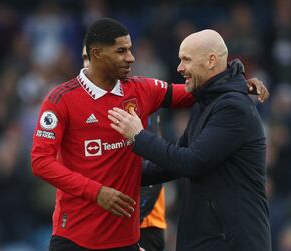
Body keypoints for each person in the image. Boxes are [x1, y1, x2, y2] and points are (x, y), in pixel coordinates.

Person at [31, 17, 268, 250]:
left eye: (130, 49)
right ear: (97, 55)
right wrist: (97, 192)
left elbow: (199, 89)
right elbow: (40, 161)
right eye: (122, 51)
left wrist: (238, 84)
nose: (131, 58)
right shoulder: (61, 100)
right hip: (75, 238)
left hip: (126, 239)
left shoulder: (141, 89)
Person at [109, 29, 271, 251]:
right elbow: (174, 163)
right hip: (209, 237)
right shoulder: (206, 103)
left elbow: (191, 162)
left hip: (232, 241)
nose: (179, 68)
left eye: (186, 59)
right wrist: (117, 178)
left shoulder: (233, 108)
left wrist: (139, 136)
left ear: (211, 60)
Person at [83, 44, 166, 251]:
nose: (88, 64)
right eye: (85, 58)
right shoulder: (77, 109)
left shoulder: (137, 102)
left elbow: (154, 169)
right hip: (96, 228)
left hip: (142, 225)